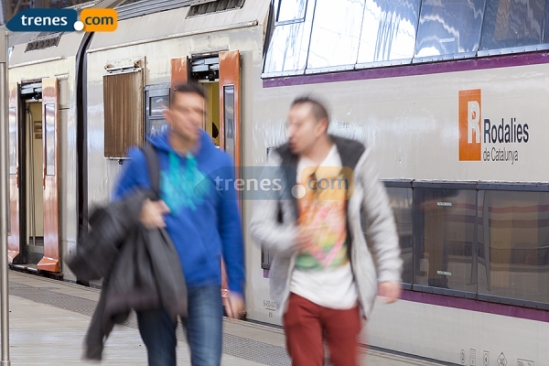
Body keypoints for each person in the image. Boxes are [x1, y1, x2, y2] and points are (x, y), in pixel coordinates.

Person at [250, 96, 402, 366]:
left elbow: (381, 217)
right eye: (289, 124)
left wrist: (389, 272)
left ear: (320, 127)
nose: (290, 132)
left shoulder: (353, 157)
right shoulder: (280, 160)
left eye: (299, 125)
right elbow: (258, 225)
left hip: (345, 295)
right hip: (299, 294)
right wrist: (290, 239)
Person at [113, 82, 245, 366]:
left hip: (203, 282)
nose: (192, 117)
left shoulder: (219, 162)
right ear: (168, 114)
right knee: (161, 360)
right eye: (184, 110)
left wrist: (236, 285)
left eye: (198, 111)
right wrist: (139, 211)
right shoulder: (141, 160)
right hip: (154, 280)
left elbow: (230, 226)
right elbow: (115, 212)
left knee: (208, 361)